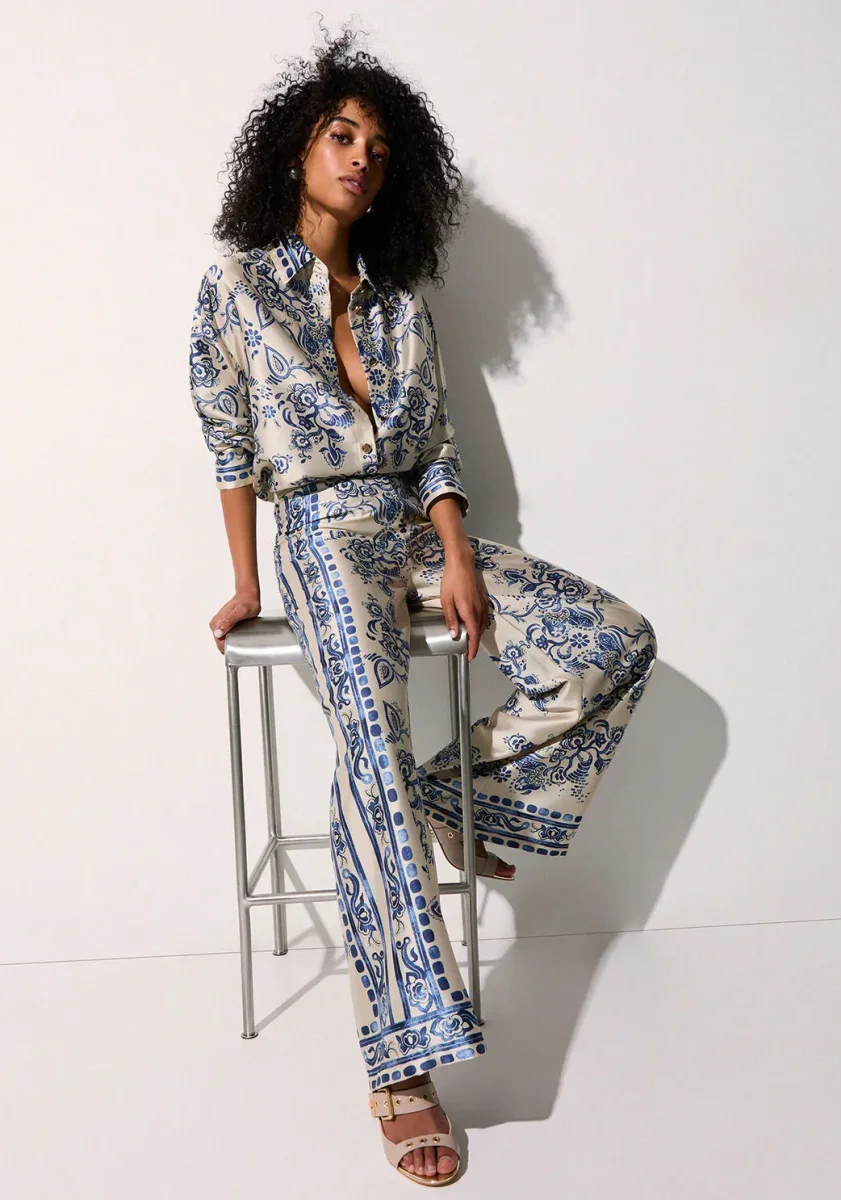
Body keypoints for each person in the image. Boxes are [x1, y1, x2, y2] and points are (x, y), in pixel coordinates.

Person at [188, 27, 658, 1188]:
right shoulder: (237, 287)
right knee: (371, 750)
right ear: (295, 150)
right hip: (317, 533)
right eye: (341, 136)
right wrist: (247, 581)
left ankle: (452, 799)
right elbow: (231, 447)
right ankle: (401, 1070)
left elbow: (436, 447)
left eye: (380, 148)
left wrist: (454, 551)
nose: (362, 157)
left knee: (612, 642)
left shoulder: (399, 303)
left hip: (409, 528)